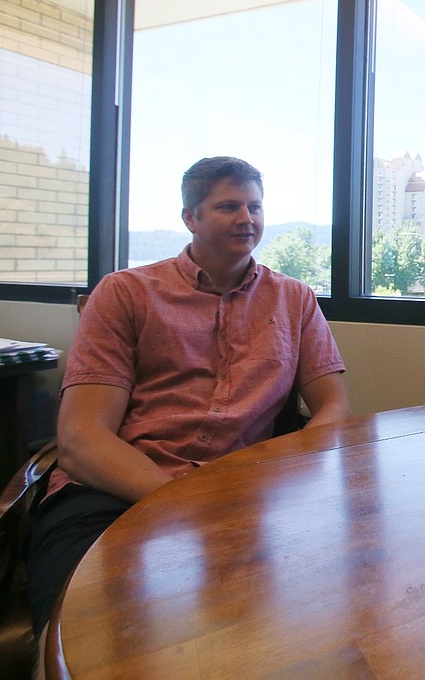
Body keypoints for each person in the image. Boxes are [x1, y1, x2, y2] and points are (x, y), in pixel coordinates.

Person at [25, 156, 352, 644]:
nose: (247, 218)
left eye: (255, 206)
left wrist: (294, 478)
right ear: (190, 218)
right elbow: (80, 440)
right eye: (228, 206)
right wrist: (184, 505)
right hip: (112, 494)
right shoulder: (125, 293)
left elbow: (334, 406)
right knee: (91, 638)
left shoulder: (294, 299)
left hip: (242, 496)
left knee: (294, 627)